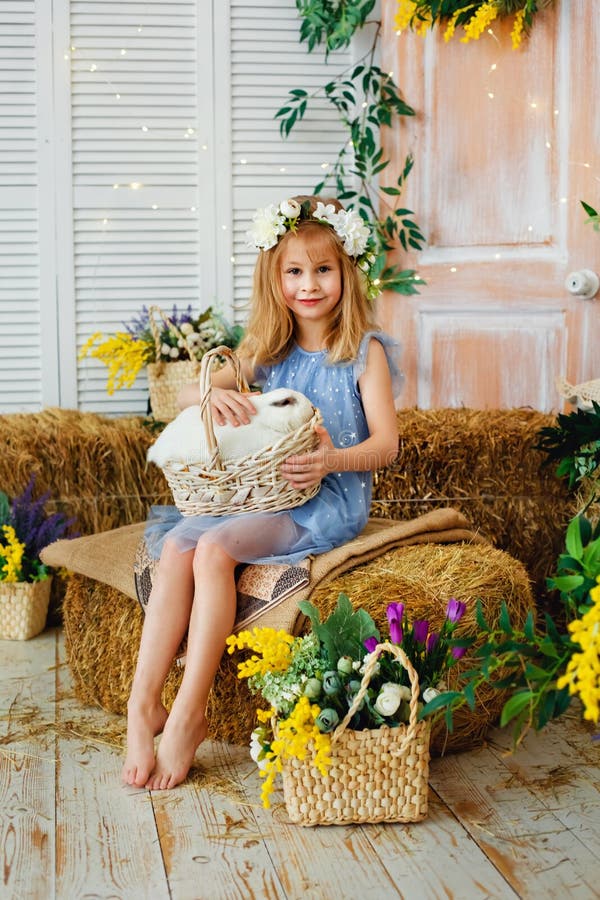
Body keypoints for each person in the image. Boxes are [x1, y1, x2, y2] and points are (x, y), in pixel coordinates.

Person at [121, 195, 403, 790]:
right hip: (260, 497)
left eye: (323, 269)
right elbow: (181, 396)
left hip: (324, 500)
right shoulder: (266, 352)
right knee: (175, 549)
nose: (309, 285)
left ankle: (191, 710)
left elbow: (386, 445)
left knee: (215, 550)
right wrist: (210, 397)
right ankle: (142, 704)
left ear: (346, 272)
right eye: (294, 271)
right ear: (275, 279)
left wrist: (331, 460)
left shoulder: (362, 353)